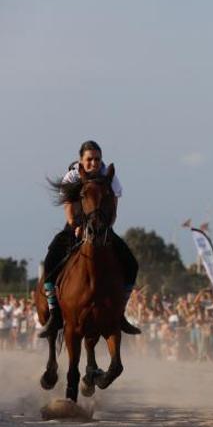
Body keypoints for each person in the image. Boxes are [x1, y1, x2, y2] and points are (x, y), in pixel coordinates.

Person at [40, 140, 141, 339]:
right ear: (81, 160)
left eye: (97, 159)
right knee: (51, 260)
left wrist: (106, 228)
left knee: (131, 264)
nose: (94, 163)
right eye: (89, 159)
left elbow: (114, 209)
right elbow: (68, 208)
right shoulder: (73, 176)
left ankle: (120, 314)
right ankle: (54, 313)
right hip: (75, 228)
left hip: (102, 228)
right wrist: (75, 226)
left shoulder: (110, 178)